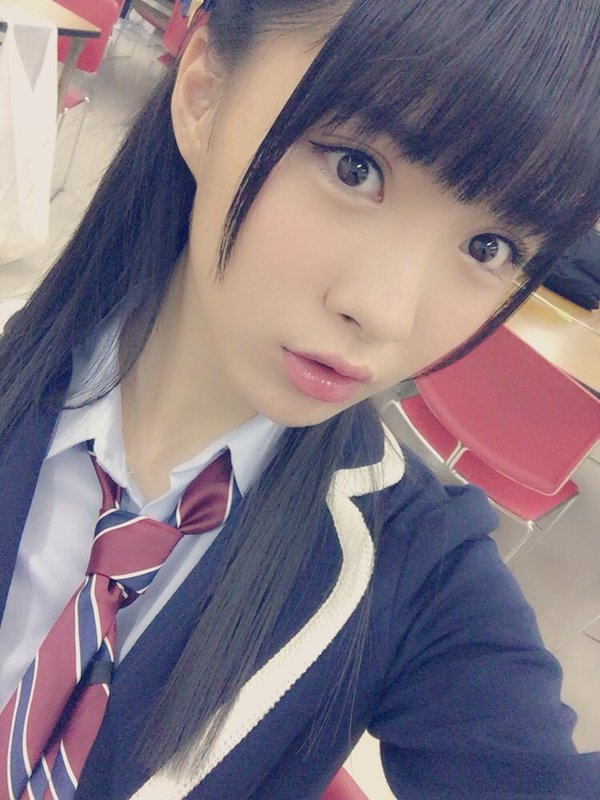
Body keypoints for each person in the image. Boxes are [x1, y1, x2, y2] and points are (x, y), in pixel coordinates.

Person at [0, 1, 599, 798]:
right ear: (203, 93)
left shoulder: (418, 571)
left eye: (489, 248)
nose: (383, 313)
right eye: (355, 168)